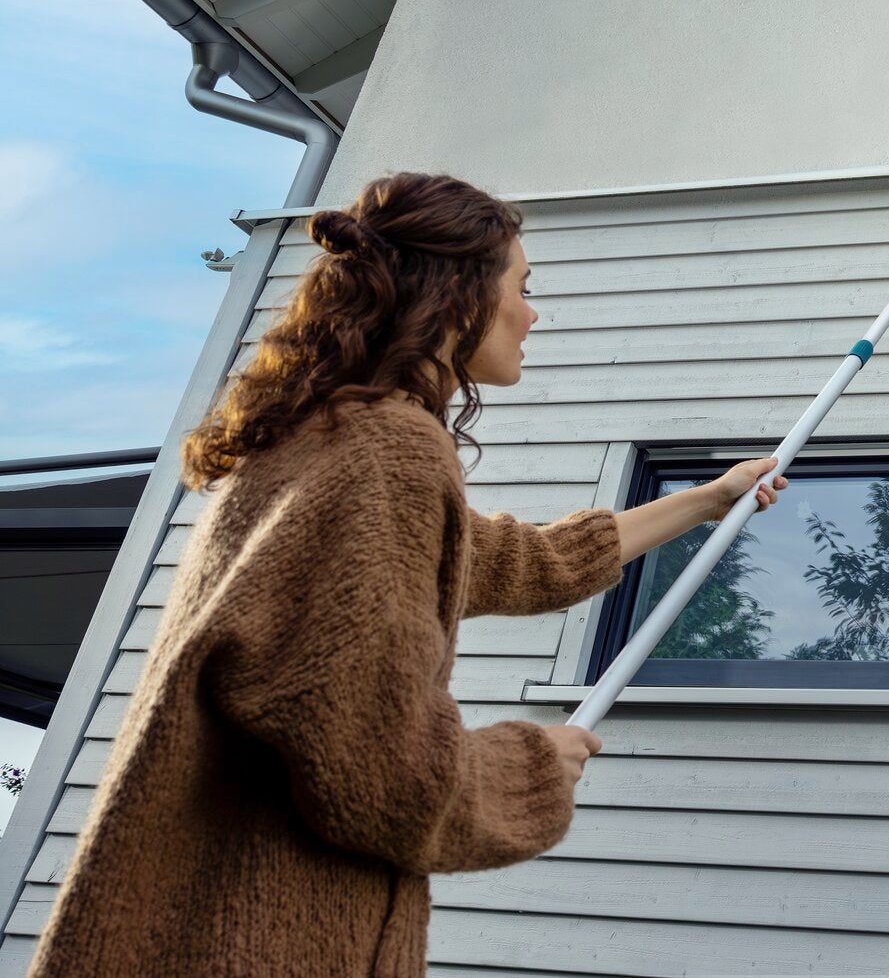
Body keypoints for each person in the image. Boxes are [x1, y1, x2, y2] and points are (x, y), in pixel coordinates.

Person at [28, 171, 784, 977]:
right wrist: (532, 769)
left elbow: (523, 561)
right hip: (245, 941)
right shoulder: (386, 454)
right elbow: (376, 769)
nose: (532, 314)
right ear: (459, 294)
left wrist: (709, 498)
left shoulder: (324, 440)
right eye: (523, 288)